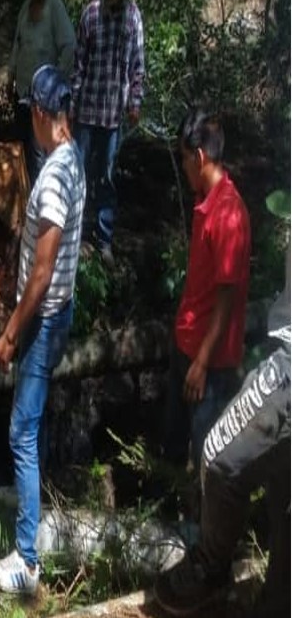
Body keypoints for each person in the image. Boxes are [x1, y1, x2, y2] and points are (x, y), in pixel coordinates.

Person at [0, 65, 86, 594]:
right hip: (57, 312)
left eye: (32, 111)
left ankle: (27, 560)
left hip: (43, 318)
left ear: (44, 114)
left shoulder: (52, 178)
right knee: (33, 416)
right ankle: (27, 497)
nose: (29, 119)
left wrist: (9, 331)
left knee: (21, 430)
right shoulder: (73, 160)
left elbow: (43, 272)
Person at [154, 253, 289, 618]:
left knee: (218, 455)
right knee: (285, 503)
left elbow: (227, 290)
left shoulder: (225, 211)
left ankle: (211, 569)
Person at [161, 110, 251, 478]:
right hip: (186, 348)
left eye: (183, 158)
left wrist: (200, 363)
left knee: (207, 458)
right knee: (172, 443)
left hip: (209, 366)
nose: (183, 167)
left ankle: (201, 533)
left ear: (199, 157)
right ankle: (165, 526)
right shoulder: (206, 201)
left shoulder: (228, 214)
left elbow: (226, 299)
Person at [70, 0, 145, 266]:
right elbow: (78, 64)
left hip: (113, 116)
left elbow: (138, 65)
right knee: (80, 172)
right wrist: (71, 105)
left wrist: (135, 102)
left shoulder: (132, 17)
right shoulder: (90, 15)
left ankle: (104, 240)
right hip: (87, 112)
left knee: (107, 177)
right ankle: (76, 233)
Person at [8, 0, 76, 185]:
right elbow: (18, 43)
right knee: (21, 150)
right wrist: (11, 73)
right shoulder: (25, 8)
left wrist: (58, 82)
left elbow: (69, 45)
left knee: (40, 153)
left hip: (45, 98)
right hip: (23, 92)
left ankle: (40, 202)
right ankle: (24, 198)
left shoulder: (55, 8)